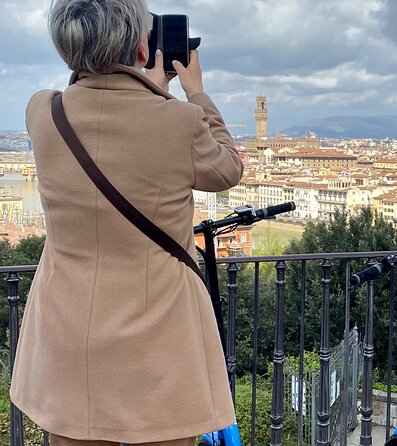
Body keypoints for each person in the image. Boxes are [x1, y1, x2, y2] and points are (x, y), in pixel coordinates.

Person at [10, 0, 244, 445]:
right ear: (141, 46)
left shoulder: (41, 112)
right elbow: (227, 169)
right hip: (159, 336)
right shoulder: (180, 120)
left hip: (68, 333)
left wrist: (126, 77)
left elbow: (92, 105)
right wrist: (191, 91)